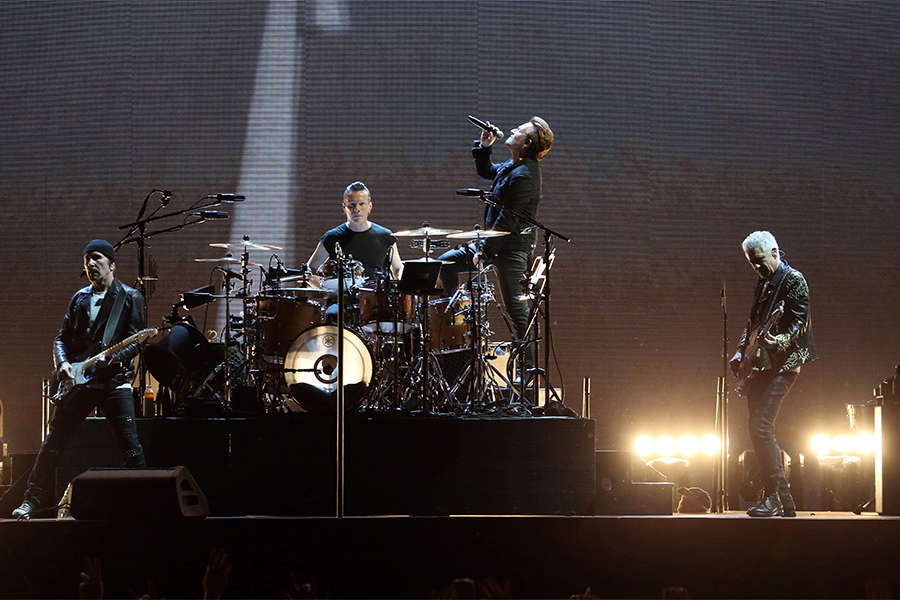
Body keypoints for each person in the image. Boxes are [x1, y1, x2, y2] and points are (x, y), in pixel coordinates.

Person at [12, 240, 147, 519]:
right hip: (80, 381)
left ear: (112, 264)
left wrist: (115, 358)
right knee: (53, 443)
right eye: (86, 260)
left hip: (114, 382)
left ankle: (142, 504)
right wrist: (62, 364)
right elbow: (61, 338)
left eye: (96, 259)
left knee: (131, 448)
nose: (90, 265)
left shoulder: (130, 296)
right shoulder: (80, 298)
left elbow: (137, 341)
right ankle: (31, 500)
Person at [438, 116, 553, 374]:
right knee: (444, 265)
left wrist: (483, 252)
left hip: (511, 248)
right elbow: (487, 171)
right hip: (493, 243)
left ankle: (529, 371)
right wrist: (485, 146)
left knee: (516, 308)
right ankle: (452, 320)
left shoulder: (525, 174)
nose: (512, 129)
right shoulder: (514, 165)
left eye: (519, 130)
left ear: (527, 143)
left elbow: (506, 222)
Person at [729, 230, 816, 518]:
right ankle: (783, 500)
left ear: (775, 252)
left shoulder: (794, 280)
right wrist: (742, 349)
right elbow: (752, 321)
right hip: (761, 364)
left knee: (760, 427)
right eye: (752, 263)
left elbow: (798, 323)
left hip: (785, 363)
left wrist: (775, 341)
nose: (756, 267)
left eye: (759, 261)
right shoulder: (763, 282)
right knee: (757, 429)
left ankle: (776, 496)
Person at [307, 181, 403, 282]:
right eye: (352, 205)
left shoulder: (386, 236)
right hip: (342, 296)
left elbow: (398, 268)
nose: (357, 209)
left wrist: (401, 281)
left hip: (378, 296)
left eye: (361, 204)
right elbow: (309, 271)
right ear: (344, 208)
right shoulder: (332, 237)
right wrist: (327, 291)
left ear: (370, 206)